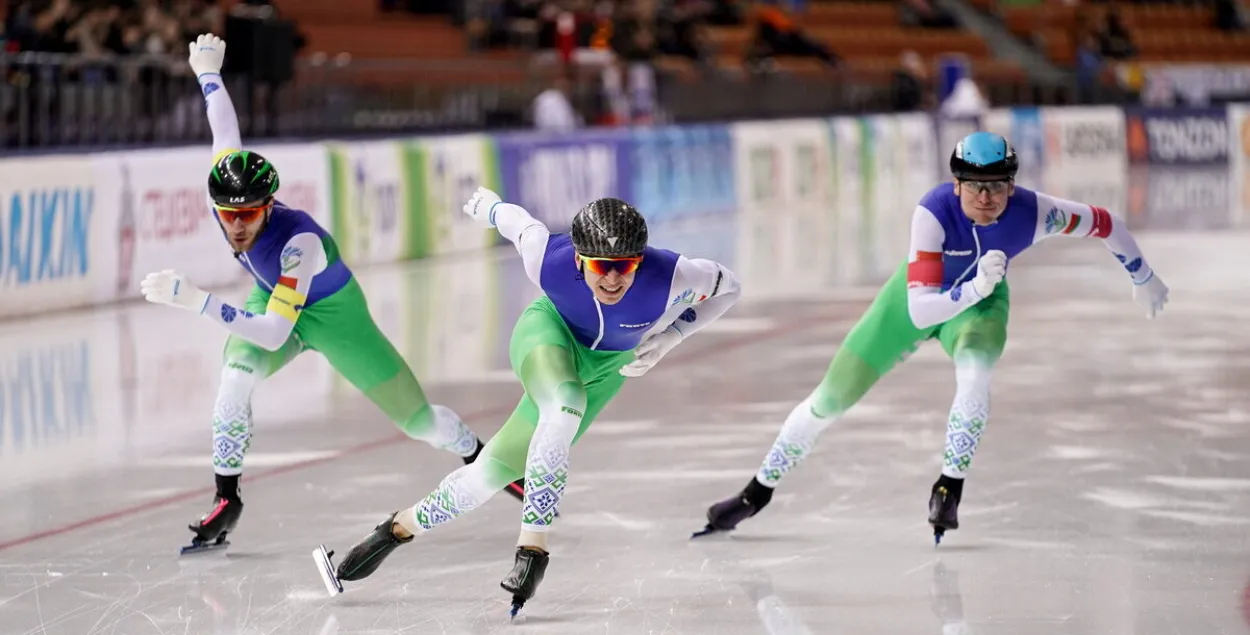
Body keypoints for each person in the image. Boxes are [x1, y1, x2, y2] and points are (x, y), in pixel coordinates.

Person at [139, 34, 521, 555]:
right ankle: (227, 498)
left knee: (420, 422)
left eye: (248, 215)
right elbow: (224, 128)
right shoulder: (226, 190)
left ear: (269, 205)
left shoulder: (299, 243)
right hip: (270, 297)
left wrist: (199, 301)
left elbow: (275, 333)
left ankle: (481, 457)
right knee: (233, 384)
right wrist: (208, 73)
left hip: (334, 316)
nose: (236, 226)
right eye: (227, 215)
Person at [695, 131, 1170, 544]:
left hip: (979, 309)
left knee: (975, 376)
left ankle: (949, 486)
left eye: (997, 187)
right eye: (974, 188)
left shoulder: (1036, 212)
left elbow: (1106, 224)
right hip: (919, 299)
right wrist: (977, 286)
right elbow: (922, 310)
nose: (986, 199)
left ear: (1012, 185)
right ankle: (756, 492)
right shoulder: (934, 211)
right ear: (956, 184)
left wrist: (1142, 275)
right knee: (829, 401)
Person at [311, 188, 743, 617]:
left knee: (486, 477)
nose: (613, 279)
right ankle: (532, 550)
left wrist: (674, 336)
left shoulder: (674, 276)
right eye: (601, 267)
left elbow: (730, 287)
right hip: (547, 337)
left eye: (625, 267)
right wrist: (491, 207)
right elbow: (523, 227)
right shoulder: (551, 262)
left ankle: (391, 532)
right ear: (579, 260)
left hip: (607, 370)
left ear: (640, 260)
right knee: (564, 402)